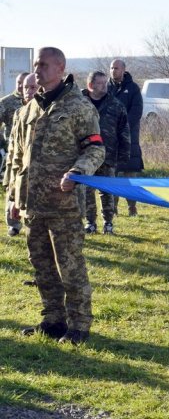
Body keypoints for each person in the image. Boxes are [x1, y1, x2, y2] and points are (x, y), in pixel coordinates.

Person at [8, 47, 105, 345]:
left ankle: (78, 325)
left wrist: (78, 170)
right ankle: (52, 320)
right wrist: (12, 197)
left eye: (44, 65)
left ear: (60, 68)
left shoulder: (79, 107)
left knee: (70, 266)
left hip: (64, 205)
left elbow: (96, 148)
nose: (38, 70)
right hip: (32, 206)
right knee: (42, 266)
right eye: (36, 65)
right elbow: (16, 158)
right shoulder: (27, 110)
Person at [82, 71, 130, 235]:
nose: (105, 86)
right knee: (87, 190)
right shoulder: (79, 103)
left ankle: (108, 223)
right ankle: (90, 223)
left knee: (107, 191)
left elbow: (124, 130)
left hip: (108, 155)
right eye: (100, 83)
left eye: (105, 82)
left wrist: (124, 155)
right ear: (91, 85)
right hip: (84, 156)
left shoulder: (115, 104)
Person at [108, 59, 143, 217]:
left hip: (129, 139)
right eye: (111, 68)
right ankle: (113, 208)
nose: (113, 71)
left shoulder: (133, 88)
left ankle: (132, 207)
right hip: (110, 138)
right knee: (112, 175)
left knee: (130, 175)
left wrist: (122, 127)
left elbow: (136, 111)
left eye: (116, 68)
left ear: (123, 69)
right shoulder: (106, 87)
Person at [1, 72, 32, 236]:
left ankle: (30, 221)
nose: (22, 87)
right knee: (12, 186)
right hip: (12, 152)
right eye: (20, 83)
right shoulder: (6, 102)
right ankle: (13, 224)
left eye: (25, 84)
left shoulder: (39, 102)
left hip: (32, 154)